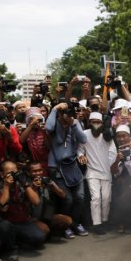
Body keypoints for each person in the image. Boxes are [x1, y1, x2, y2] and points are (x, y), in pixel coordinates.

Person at [46, 101, 89, 238]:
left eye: (71, 113)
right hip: (57, 167)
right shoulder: (55, 123)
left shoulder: (75, 123)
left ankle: (75, 223)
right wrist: (54, 109)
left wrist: (74, 124)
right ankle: (65, 225)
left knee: (80, 197)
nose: (69, 116)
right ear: (60, 113)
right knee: (68, 199)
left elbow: (83, 139)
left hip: (72, 166)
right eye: (66, 113)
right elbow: (48, 127)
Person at [0, 161, 46, 261]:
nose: (13, 176)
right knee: (4, 226)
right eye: (9, 173)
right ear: (2, 175)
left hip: (23, 223)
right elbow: (3, 208)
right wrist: (6, 186)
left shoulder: (21, 185)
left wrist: (25, 184)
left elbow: (36, 201)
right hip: (7, 224)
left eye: (15, 173)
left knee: (39, 237)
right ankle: (12, 250)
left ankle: (18, 242)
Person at [78, 112, 117, 234]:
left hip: (106, 172)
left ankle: (105, 220)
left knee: (106, 198)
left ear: (102, 123)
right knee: (96, 198)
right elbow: (79, 149)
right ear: (89, 123)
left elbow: (113, 152)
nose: (95, 124)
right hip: (92, 172)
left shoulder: (107, 136)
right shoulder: (84, 135)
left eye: (98, 122)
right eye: (93, 121)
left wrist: (110, 166)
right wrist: (81, 155)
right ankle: (97, 224)